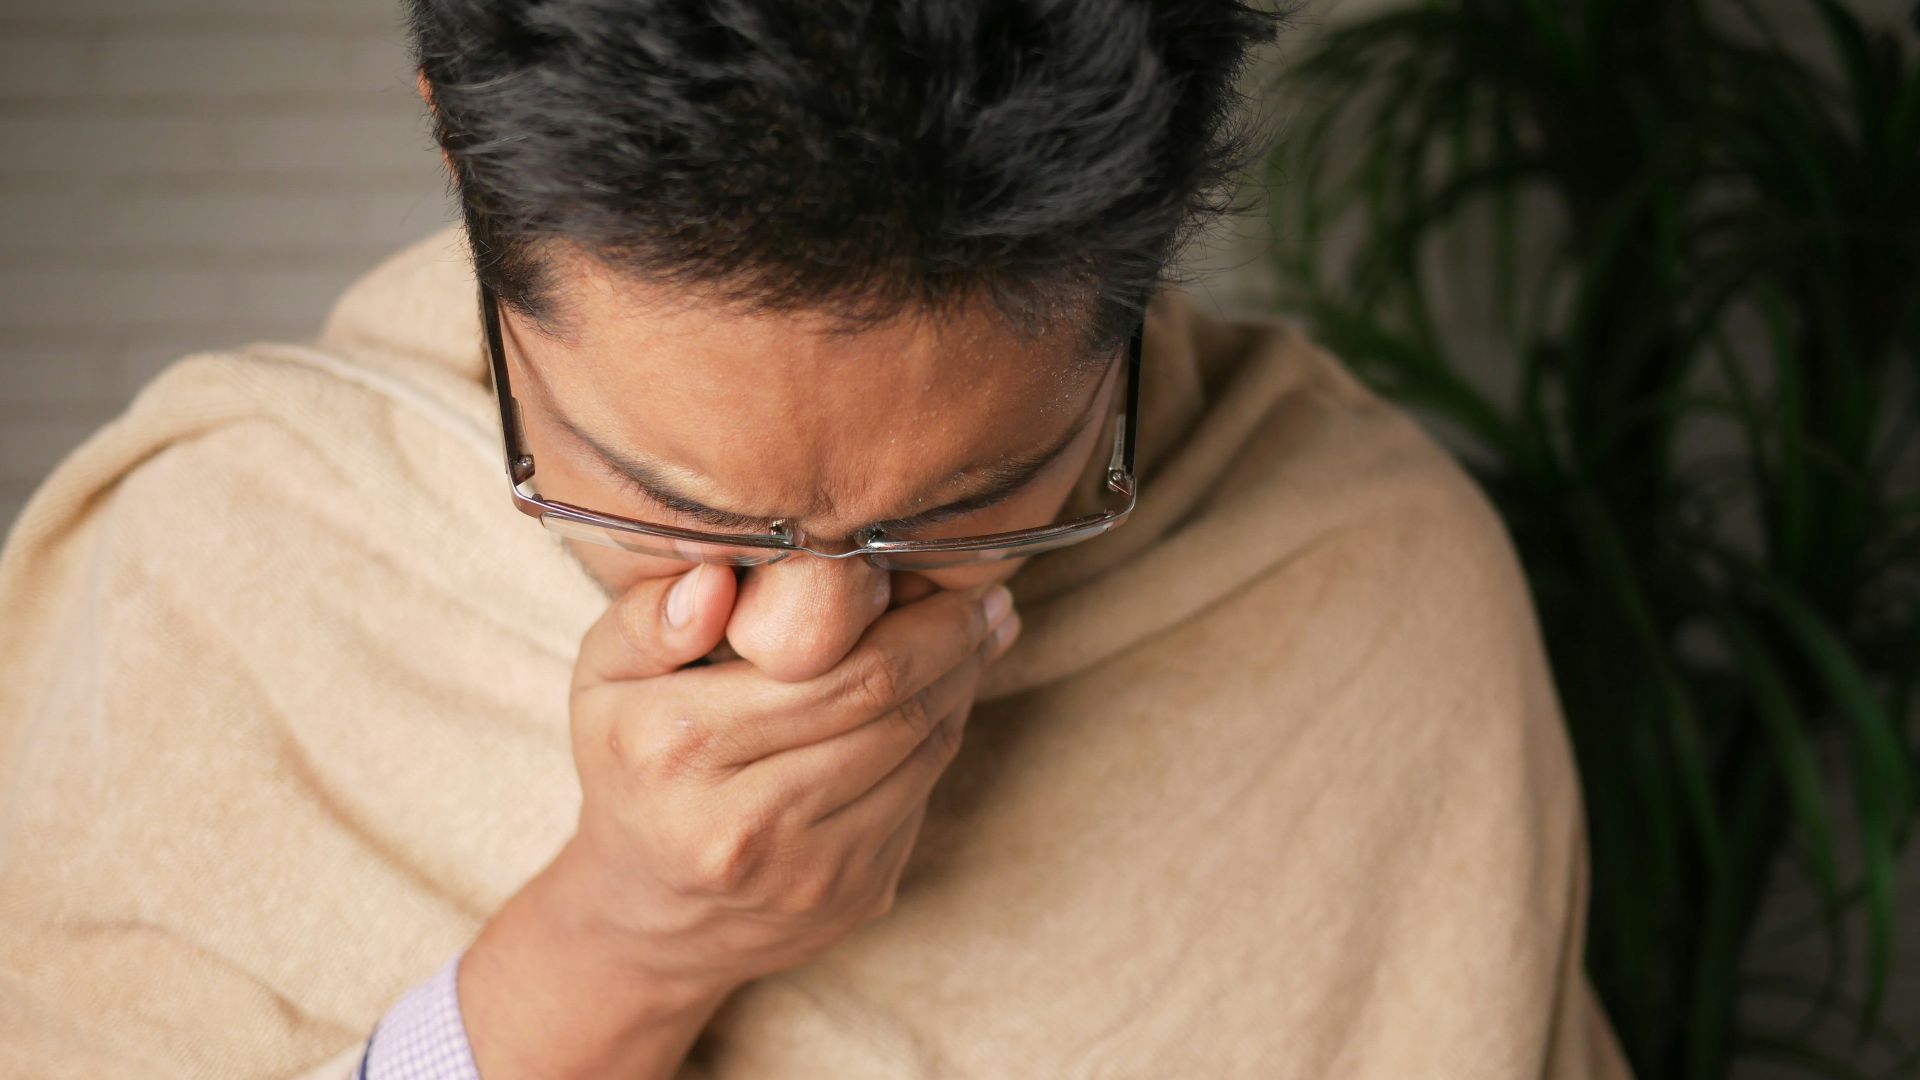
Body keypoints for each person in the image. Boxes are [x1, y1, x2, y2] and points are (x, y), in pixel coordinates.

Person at [0, 1, 1632, 1077]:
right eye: (662, 501)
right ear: (461, 164)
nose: (803, 642)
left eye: (972, 504)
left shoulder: (1376, 592)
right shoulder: (212, 570)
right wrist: (613, 948)